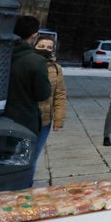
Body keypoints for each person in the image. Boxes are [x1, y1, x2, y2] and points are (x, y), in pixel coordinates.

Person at [4, 15, 52, 173]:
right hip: (24, 120)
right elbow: (42, 94)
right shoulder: (35, 61)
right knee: (21, 164)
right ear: (34, 35)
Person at [33, 34, 67, 164]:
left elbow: (60, 94)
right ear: (34, 46)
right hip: (26, 119)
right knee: (23, 155)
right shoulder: (26, 63)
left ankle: (28, 183)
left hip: (44, 120)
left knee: (35, 155)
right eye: (41, 46)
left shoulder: (56, 68)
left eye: (49, 47)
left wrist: (58, 119)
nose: (45, 49)